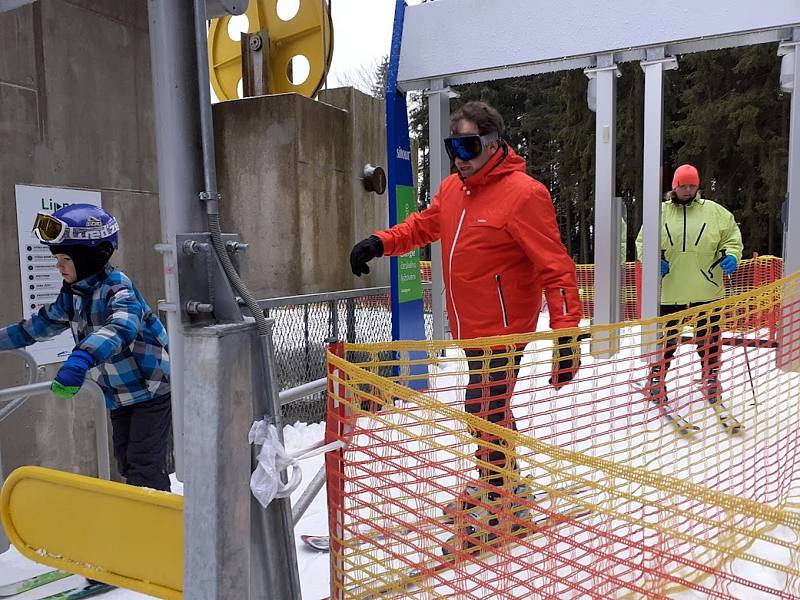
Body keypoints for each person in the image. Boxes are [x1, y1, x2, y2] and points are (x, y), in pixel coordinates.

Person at [349, 101, 582, 536]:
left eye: (469, 145)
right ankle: (502, 482)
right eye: (452, 146)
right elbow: (422, 227)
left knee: (483, 407)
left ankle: (501, 493)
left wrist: (566, 335)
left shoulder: (524, 194)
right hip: (470, 327)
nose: (459, 156)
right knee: (490, 409)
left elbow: (557, 267)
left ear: (493, 145)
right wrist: (379, 243)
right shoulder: (454, 190)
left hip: (505, 329)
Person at [0, 204, 172, 492]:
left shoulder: (119, 288)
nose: (59, 266)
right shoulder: (74, 292)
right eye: (57, 258)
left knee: (144, 465)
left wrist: (80, 358)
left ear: (92, 256)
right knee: (126, 463)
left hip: (150, 389)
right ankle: (143, 519)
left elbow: (121, 327)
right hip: (119, 394)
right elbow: (40, 325)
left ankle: (158, 528)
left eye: (65, 258)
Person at [635, 164, 743, 407]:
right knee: (665, 339)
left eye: (692, 185)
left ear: (698, 186)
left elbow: (732, 238)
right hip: (669, 290)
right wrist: (653, 261)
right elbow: (643, 243)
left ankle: (711, 377)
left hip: (706, 288)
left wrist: (733, 256)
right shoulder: (658, 212)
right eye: (683, 185)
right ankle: (656, 378)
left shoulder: (715, 212)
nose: (687, 189)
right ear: (674, 186)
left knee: (709, 338)